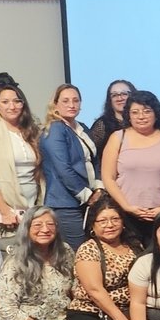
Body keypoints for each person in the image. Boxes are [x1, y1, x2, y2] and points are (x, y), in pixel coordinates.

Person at [100, 90, 160, 245]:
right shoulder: (118, 137)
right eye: (135, 112)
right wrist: (127, 206)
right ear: (128, 115)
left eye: (147, 111)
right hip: (125, 215)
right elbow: (108, 178)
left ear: (156, 114)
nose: (141, 116)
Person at [0, 83, 44, 244]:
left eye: (17, 101)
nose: (12, 106)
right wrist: (4, 210)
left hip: (32, 206)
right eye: (5, 102)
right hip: (3, 210)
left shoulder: (32, 131)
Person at [40, 84, 100, 249]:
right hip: (65, 203)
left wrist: (99, 188)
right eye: (65, 101)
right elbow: (63, 169)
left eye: (76, 100)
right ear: (55, 104)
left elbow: (95, 159)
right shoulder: (55, 129)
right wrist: (87, 195)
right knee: (77, 250)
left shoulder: (82, 127)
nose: (71, 105)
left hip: (87, 200)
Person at [89, 79, 135, 148]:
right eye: (114, 95)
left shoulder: (141, 121)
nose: (120, 98)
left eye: (124, 94)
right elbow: (91, 151)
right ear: (110, 100)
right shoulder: (102, 124)